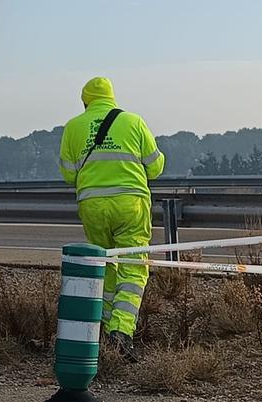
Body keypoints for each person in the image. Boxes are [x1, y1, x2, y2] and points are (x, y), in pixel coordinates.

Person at [59, 77, 165, 362]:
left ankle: (103, 331)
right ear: (112, 98)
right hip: (130, 204)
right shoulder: (133, 122)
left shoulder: (73, 127)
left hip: (92, 206)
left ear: (85, 102)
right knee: (133, 270)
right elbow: (155, 167)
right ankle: (121, 332)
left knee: (104, 267)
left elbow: (69, 174)